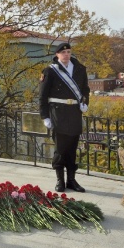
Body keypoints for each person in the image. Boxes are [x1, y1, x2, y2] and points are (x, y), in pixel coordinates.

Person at [39, 42, 90, 193]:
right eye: (63, 52)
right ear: (57, 55)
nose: (66, 54)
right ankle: (60, 180)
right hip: (58, 113)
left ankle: (72, 181)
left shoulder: (80, 69)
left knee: (72, 149)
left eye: (68, 52)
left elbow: (85, 90)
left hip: (74, 112)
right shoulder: (50, 71)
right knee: (60, 149)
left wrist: (85, 103)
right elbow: (42, 96)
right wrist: (45, 116)